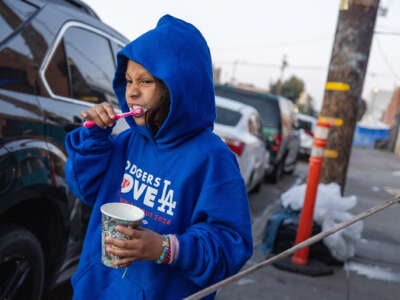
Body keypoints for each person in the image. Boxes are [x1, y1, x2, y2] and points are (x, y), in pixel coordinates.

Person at [65, 14, 253, 300]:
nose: (132, 92)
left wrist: (165, 248)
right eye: (128, 80)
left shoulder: (212, 159)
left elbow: (230, 247)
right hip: (96, 289)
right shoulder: (128, 140)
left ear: (176, 87)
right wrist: (93, 138)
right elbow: (84, 188)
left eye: (146, 81)